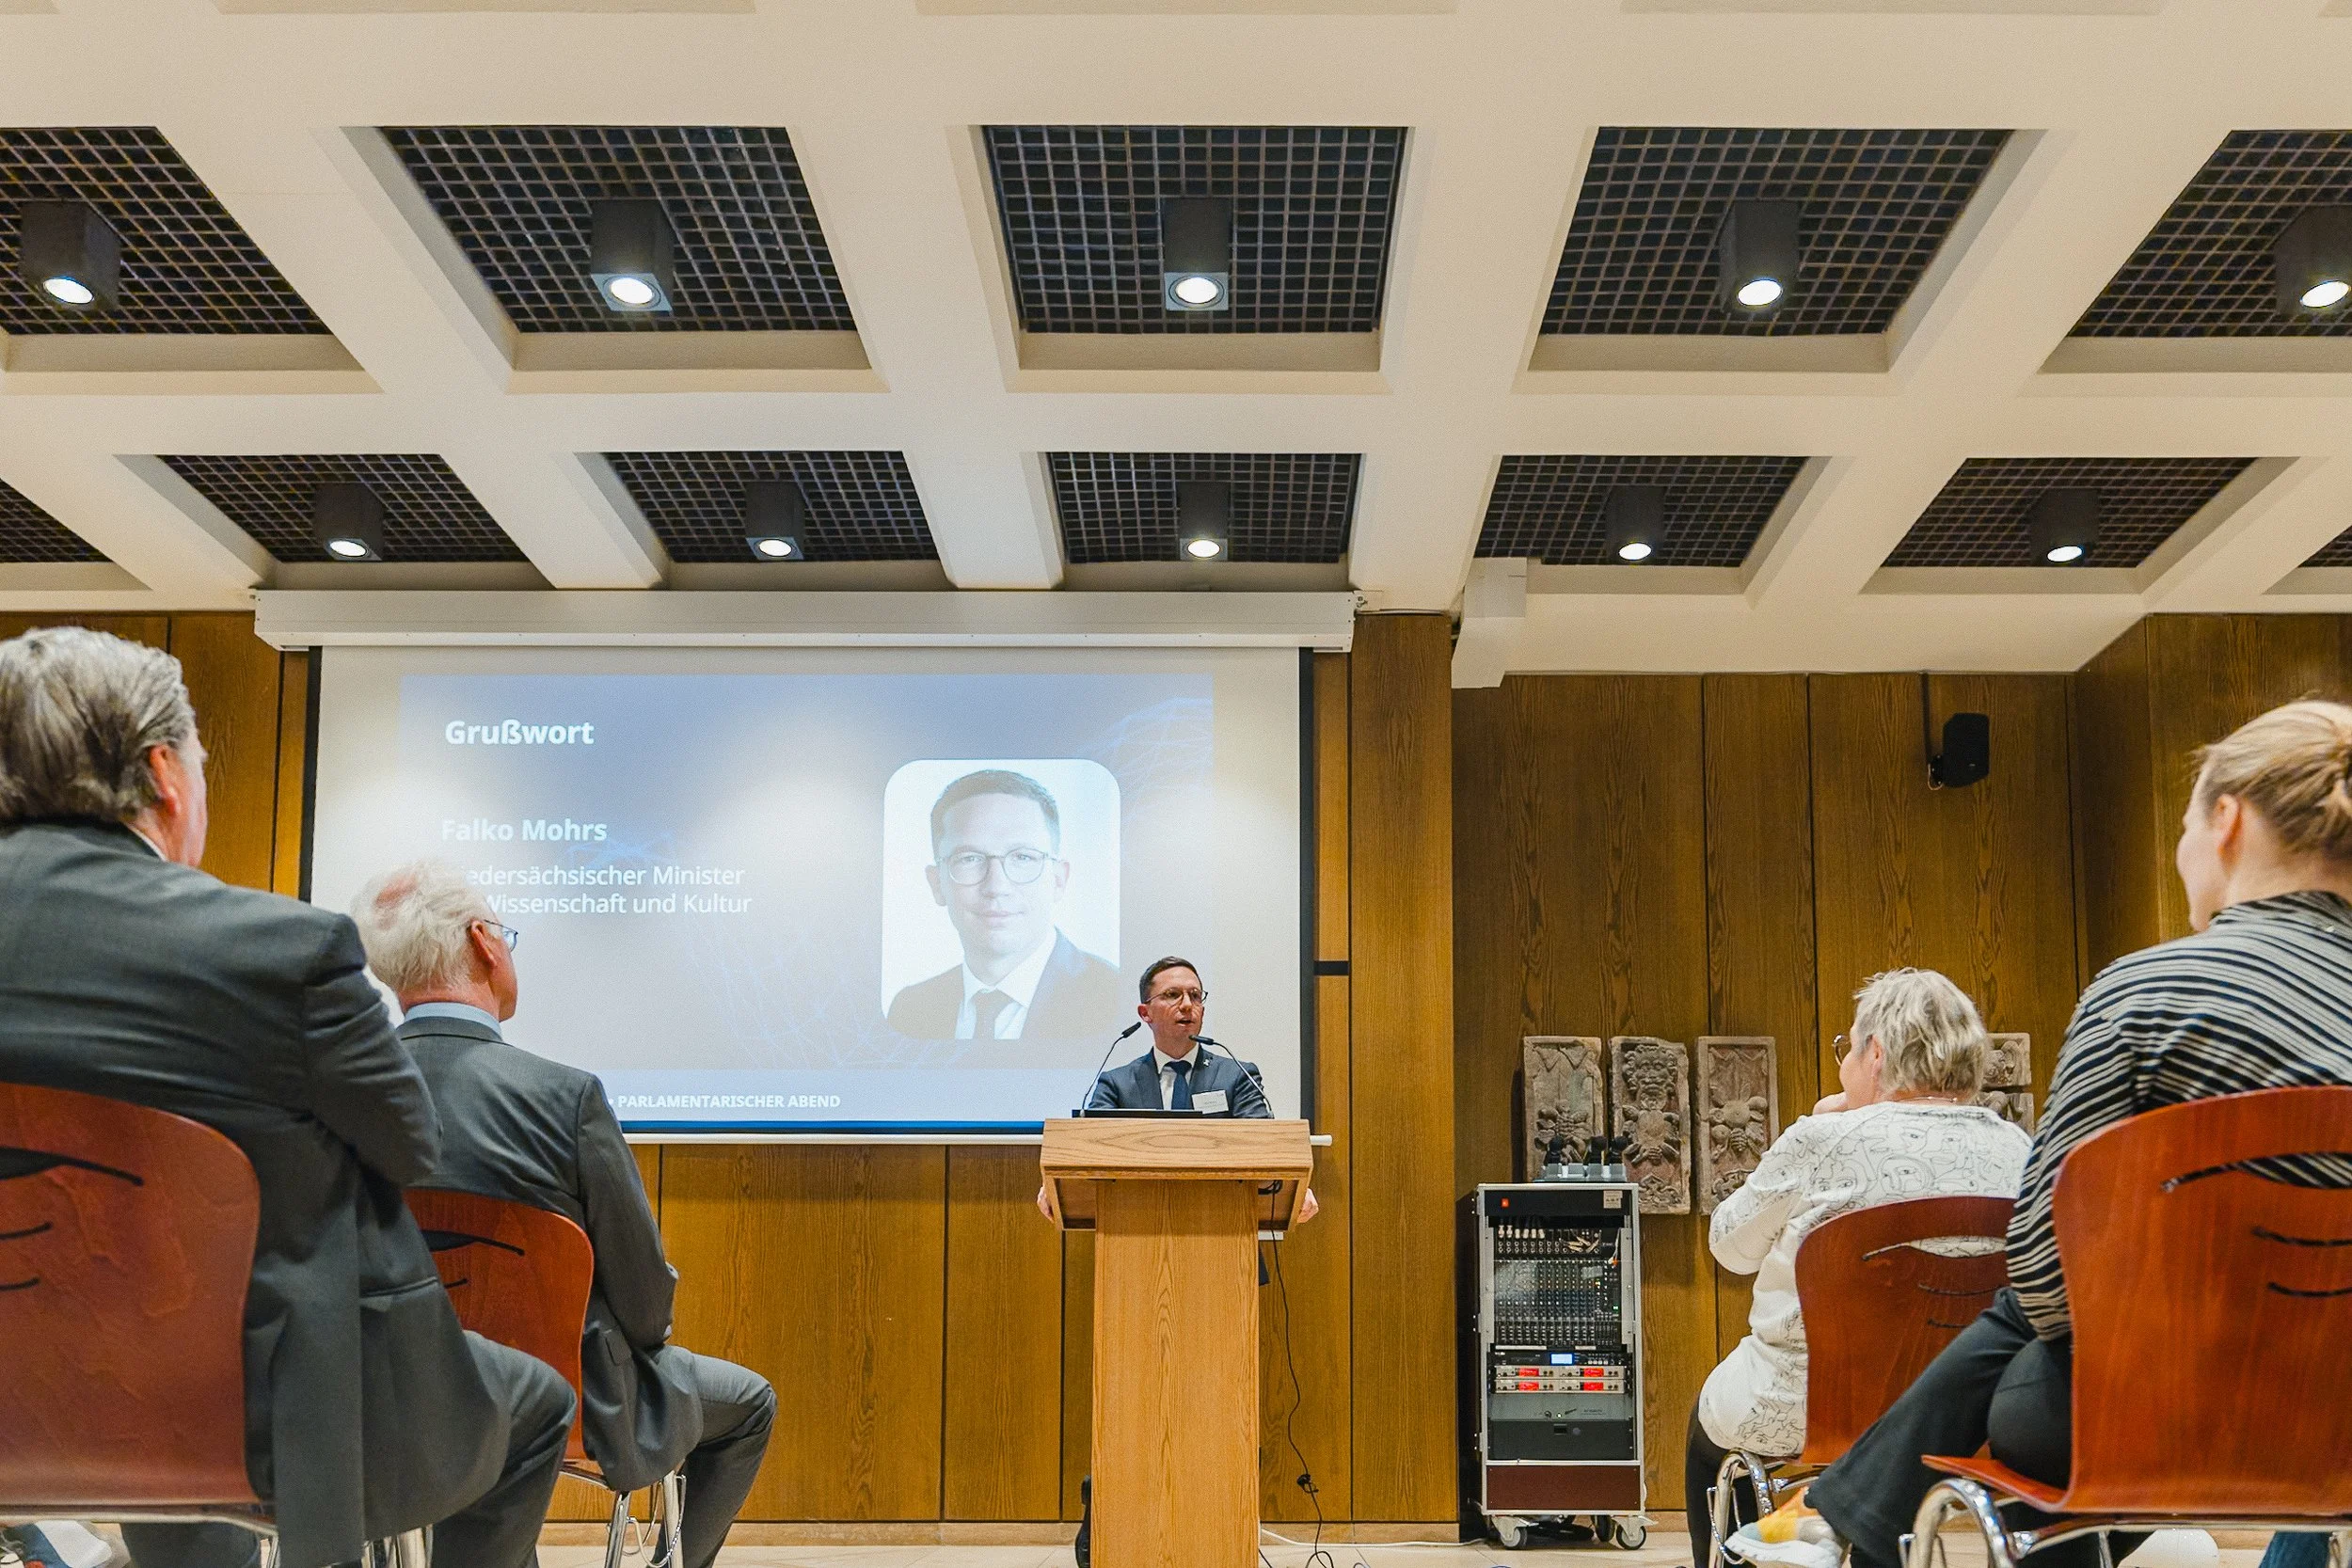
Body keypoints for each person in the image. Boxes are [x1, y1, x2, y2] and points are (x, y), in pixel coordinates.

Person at [0, 628, 573, 1568]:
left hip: (25, 1393)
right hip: (262, 1413)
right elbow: (407, 1145)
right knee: (533, 1401)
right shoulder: (279, 951)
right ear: (163, 774)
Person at [1796, 700, 2352, 1568]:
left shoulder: (2145, 994)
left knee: (2036, 1326)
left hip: (2159, 1420)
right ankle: (1844, 1521)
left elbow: (2049, 1280)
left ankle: (1846, 1523)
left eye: (2182, 827)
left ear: (2228, 822)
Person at [350, 860, 777, 1568]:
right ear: (486, 942)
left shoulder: (337, 1093)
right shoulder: (565, 1098)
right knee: (750, 1401)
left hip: (376, 1395)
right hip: (566, 1399)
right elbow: (644, 1304)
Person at [1690, 969, 2030, 1560]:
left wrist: (1820, 1128)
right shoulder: (2020, 1149)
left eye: (1846, 1046)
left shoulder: (1822, 1138)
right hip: (1970, 1416)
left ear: (1876, 1053)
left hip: (1802, 1403)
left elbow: (1730, 1246)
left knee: (1708, 1431)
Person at [1041, 956, 1317, 1568]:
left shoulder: (1239, 1074)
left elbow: (1263, 1145)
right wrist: (1055, 1173)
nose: (1188, 1004)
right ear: (1146, 1012)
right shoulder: (1114, 1080)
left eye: (1195, 993)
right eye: (1172, 994)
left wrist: (1295, 1172)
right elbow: (1087, 1145)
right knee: (1138, 1405)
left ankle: (1217, 1532)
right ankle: (1130, 1529)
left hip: (1223, 1274)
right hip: (1134, 1279)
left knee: (1215, 1406)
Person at [885, 768, 1124, 1042]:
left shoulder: (1115, 998)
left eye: (1023, 857)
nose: (996, 887)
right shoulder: (910, 1010)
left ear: (1059, 879)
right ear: (936, 883)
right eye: (969, 858)